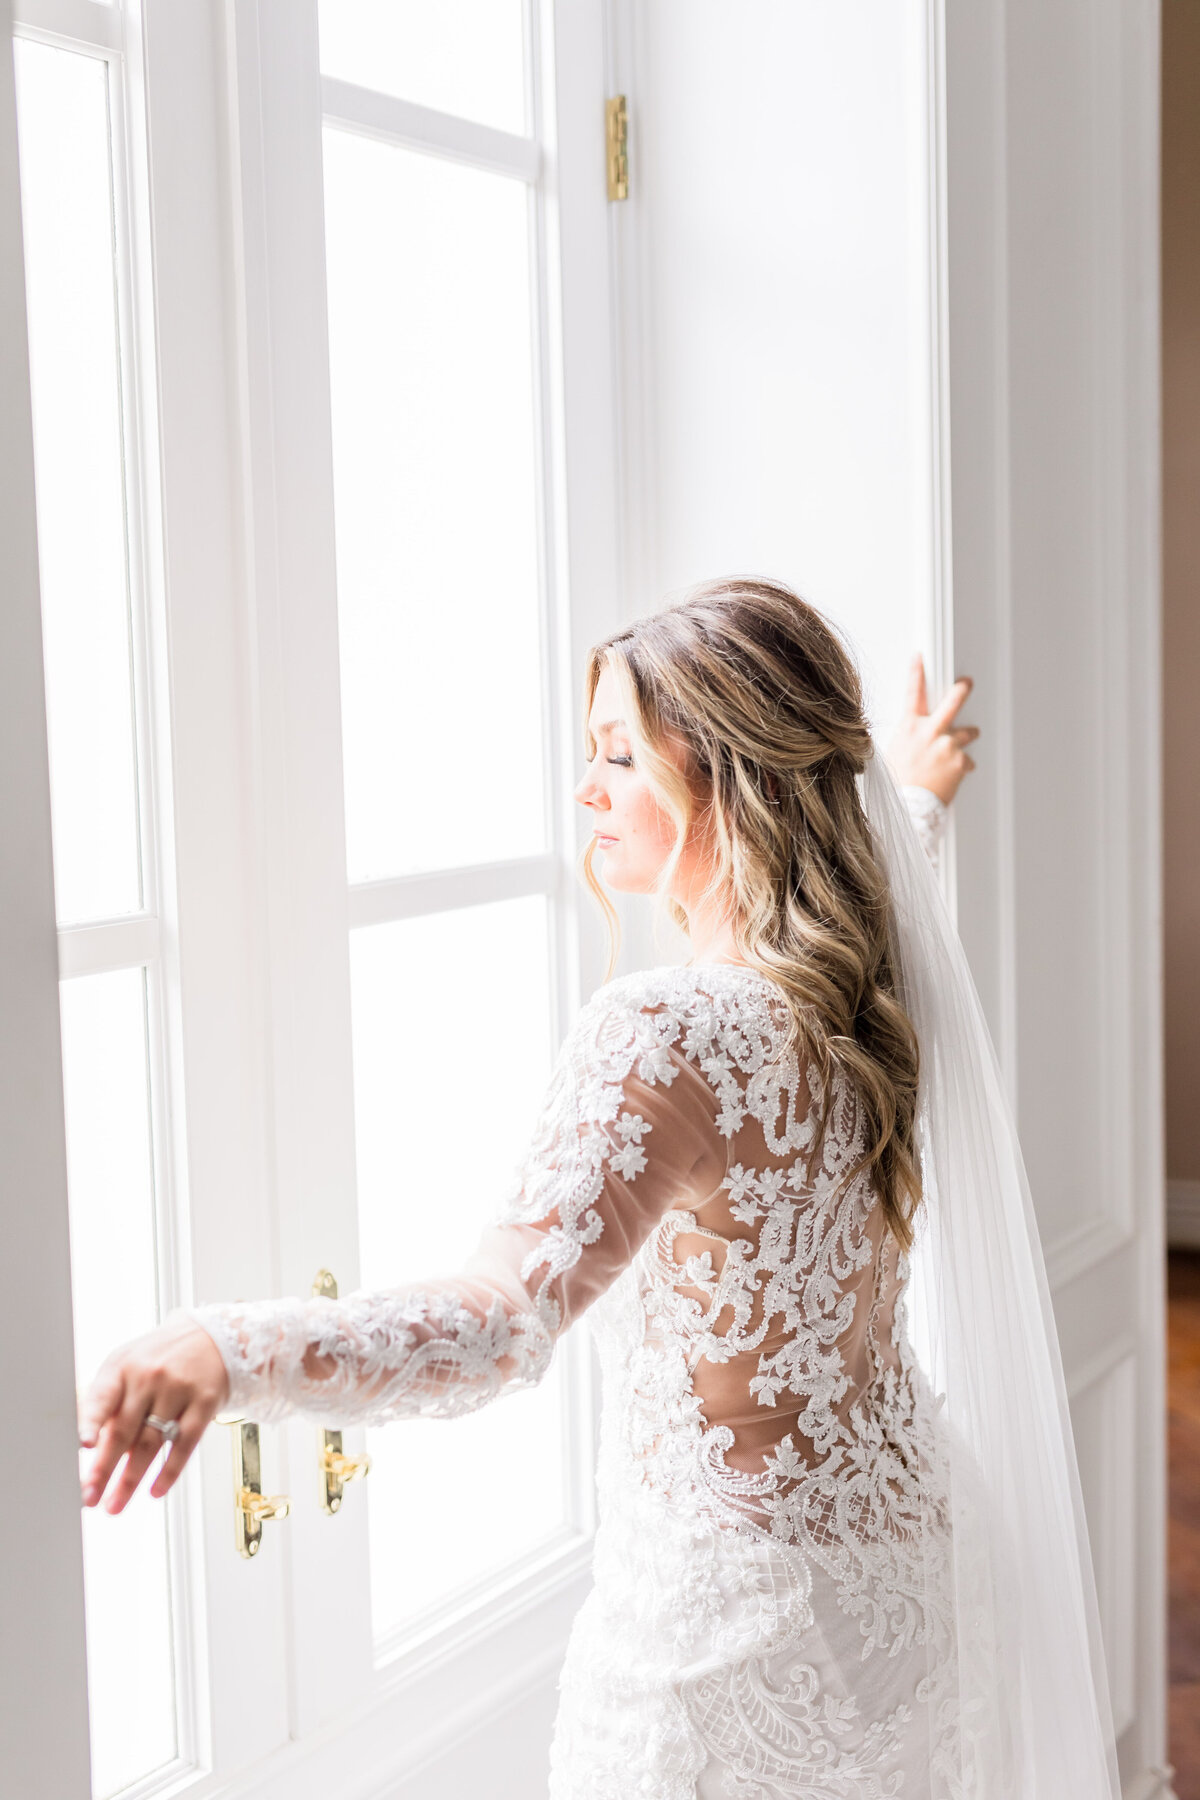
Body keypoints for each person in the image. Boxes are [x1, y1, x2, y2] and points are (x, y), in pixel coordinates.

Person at [78, 577, 1116, 1799]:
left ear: (733, 779)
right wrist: (920, 789)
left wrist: (228, 1343)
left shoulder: (668, 1030)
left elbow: (499, 1324)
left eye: (619, 756)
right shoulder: (872, 969)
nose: (587, 792)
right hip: (907, 1589)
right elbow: (902, 854)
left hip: (728, 1660)